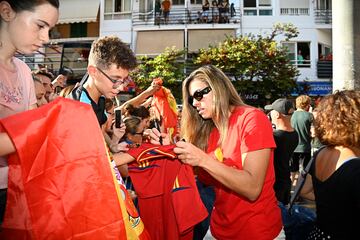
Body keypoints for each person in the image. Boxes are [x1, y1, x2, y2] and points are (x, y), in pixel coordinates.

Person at [149, 65, 282, 239]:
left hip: (256, 230)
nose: (195, 103)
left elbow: (252, 188)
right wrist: (174, 152)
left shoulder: (252, 118)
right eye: (191, 99)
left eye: (198, 95)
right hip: (219, 227)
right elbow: (205, 178)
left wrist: (203, 159)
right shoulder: (210, 130)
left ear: (218, 88)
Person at [0, 0, 59, 223]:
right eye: (40, 26)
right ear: (6, 11)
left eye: (50, 30)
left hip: (15, 188)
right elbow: (33, 132)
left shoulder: (24, 70)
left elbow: (31, 123)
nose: (46, 38)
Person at [301, 90, 360, 239]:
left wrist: (332, 203)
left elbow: (304, 191)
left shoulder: (321, 153)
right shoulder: (355, 166)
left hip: (319, 234)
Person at [265, 98, 298, 206]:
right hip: (285, 181)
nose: (270, 114)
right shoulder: (294, 134)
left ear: (278, 115)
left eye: (272, 111)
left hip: (274, 184)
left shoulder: (275, 137)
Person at [291, 95, 314, 184]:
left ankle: (292, 189)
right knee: (305, 170)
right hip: (305, 147)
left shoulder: (291, 115)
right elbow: (313, 132)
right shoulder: (309, 116)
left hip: (293, 147)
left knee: (293, 169)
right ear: (307, 104)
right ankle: (302, 189)